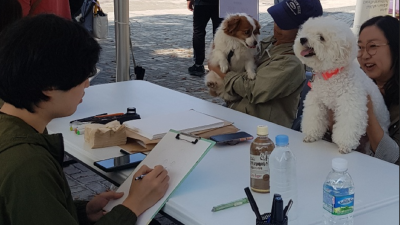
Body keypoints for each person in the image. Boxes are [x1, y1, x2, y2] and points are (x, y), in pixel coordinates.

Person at [0, 14, 169, 224]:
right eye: (83, 77)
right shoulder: (27, 166)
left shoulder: (17, 128)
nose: (87, 85)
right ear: (49, 87)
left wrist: (82, 212)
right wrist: (132, 206)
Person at [208, 0, 323, 128]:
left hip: (262, 127)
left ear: (303, 31)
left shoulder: (290, 63)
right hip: (238, 114)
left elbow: (253, 90)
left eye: (285, 25)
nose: (277, 27)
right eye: (277, 19)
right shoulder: (271, 42)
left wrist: (218, 70)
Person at [356, 15, 399, 164]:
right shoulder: (356, 82)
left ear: (395, 47)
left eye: (373, 46)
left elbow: (394, 161)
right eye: (360, 47)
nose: (364, 55)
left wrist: (367, 111)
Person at [187, 0, 223, 76]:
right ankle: (219, 64)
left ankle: (198, 65)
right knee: (219, 33)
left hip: (201, 3)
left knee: (199, 32)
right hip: (220, 4)